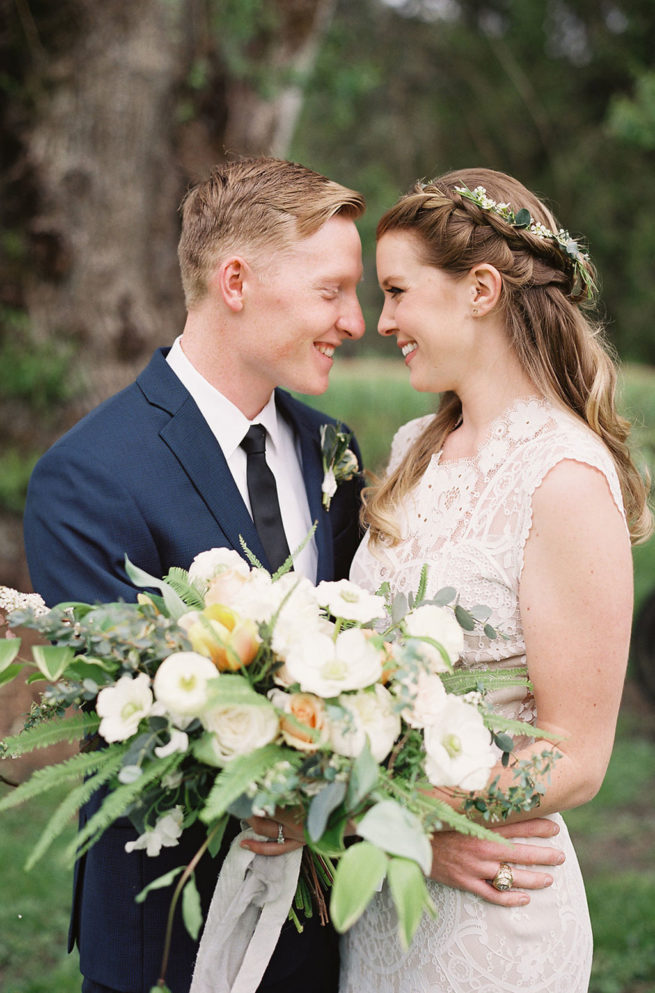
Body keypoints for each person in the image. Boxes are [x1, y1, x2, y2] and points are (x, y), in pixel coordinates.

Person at [23, 157, 563, 993]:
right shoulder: (89, 474)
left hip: (329, 944)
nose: (356, 320)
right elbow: (135, 737)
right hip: (169, 942)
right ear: (234, 281)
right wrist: (403, 829)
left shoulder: (332, 451)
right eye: (331, 290)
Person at [336, 167, 652, 992]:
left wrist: (405, 817)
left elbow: (575, 756)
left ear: (479, 289)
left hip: (492, 907)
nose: (383, 320)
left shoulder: (563, 476)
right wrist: (384, 826)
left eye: (398, 291)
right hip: (384, 894)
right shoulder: (412, 448)